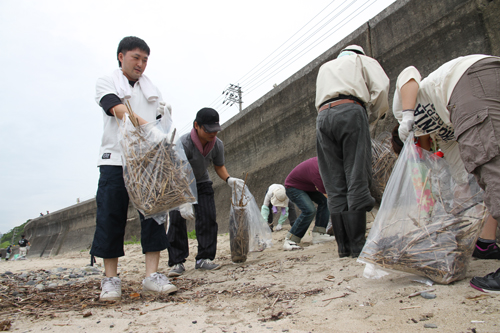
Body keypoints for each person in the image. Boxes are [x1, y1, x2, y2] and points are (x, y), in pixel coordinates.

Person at [393, 54, 500, 292]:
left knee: (493, 168)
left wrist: (408, 115)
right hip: (482, 86)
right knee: (488, 172)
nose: (420, 154)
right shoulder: (448, 137)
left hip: (468, 80)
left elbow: (408, 74)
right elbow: (464, 181)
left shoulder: (404, 113)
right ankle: (485, 244)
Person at [90, 36, 176, 301]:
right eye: (136, 58)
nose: (141, 64)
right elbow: (118, 110)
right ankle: (110, 280)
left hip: (147, 161)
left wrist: (164, 123)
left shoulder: (153, 91)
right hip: (115, 160)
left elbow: (162, 125)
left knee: (153, 216)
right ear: (121, 56)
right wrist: (150, 128)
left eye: (145, 60)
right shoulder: (107, 82)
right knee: (110, 216)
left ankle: (152, 276)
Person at [315, 45, 390, 258]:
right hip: (350, 110)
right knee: (356, 175)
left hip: (323, 117)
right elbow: (381, 88)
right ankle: (358, 245)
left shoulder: (325, 67)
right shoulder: (360, 60)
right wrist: (374, 116)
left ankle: (343, 247)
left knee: (334, 182)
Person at [166, 108, 244, 277]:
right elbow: (176, 171)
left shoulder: (217, 144)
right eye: (208, 130)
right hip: (179, 184)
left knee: (208, 218)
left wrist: (229, 179)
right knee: (176, 221)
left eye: (215, 130)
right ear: (197, 126)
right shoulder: (184, 143)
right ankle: (177, 262)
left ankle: (204, 258)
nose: (212, 134)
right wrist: (184, 199)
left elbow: (219, 166)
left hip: (202, 182)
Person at [282, 157, 334, 250]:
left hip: (307, 186)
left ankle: (319, 234)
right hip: (293, 187)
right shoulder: (318, 172)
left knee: (324, 202)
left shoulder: (328, 162)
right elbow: (330, 197)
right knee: (309, 210)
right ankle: (290, 240)